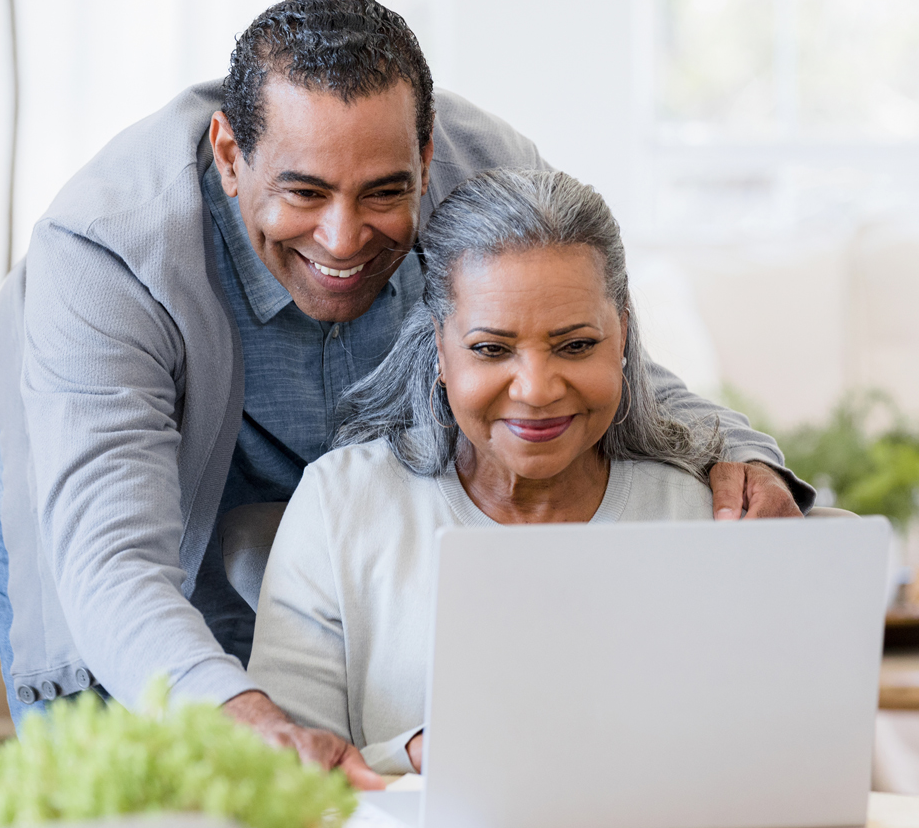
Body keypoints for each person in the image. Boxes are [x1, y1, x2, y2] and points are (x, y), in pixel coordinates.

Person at [0, 0, 812, 787]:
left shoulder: (486, 169)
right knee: (160, 743)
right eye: (304, 191)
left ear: (428, 155)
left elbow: (579, 343)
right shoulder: (106, 251)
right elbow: (113, 566)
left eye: (384, 192)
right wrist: (238, 711)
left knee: (306, 735)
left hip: (341, 452)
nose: (343, 236)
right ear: (229, 153)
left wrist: (735, 448)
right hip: (127, 466)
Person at [248, 168, 726, 776]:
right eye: (491, 349)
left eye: (576, 345)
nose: (536, 390)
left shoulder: (704, 516)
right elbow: (288, 777)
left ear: (624, 336)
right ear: (439, 350)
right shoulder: (342, 505)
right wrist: (416, 755)